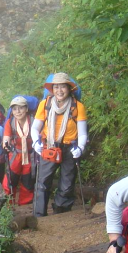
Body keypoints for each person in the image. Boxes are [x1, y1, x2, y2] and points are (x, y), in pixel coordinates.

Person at [32, 73, 88, 216]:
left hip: (70, 147)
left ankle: (61, 212)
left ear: (69, 88)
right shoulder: (45, 104)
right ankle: (39, 214)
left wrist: (80, 148)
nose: (59, 90)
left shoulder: (77, 107)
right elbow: (35, 128)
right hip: (49, 146)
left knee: (67, 182)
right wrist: (35, 142)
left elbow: (82, 132)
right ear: (52, 89)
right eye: (56, 87)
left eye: (63, 87)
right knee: (43, 181)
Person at [2, 95, 36, 206]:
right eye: (15, 108)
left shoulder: (33, 121)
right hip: (15, 153)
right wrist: (6, 144)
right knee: (10, 179)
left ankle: (25, 204)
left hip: (30, 154)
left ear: (26, 109)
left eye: (21, 108)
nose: (18, 111)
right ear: (12, 110)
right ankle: (8, 203)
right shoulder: (10, 122)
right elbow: (6, 137)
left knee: (28, 179)